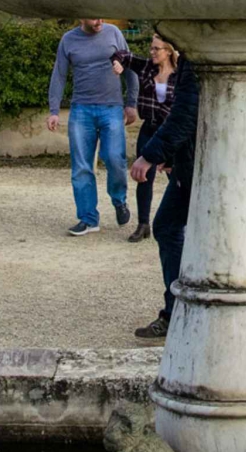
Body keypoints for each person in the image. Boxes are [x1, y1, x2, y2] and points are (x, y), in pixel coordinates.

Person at [47, 19, 139, 237]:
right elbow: (59, 74)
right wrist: (54, 110)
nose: (98, 21)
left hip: (112, 108)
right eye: (93, 18)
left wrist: (131, 103)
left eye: (100, 17)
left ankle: (119, 200)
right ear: (81, 17)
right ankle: (88, 219)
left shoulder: (114, 33)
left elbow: (130, 66)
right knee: (81, 167)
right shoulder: (69, 40)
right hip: (81, 110)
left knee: (115, 158)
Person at [130, 54, 198, 341]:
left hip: (199, 165)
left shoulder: (194, 57)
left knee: (169, 227)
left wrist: (150, 155)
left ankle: (180, 310)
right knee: (170, 227)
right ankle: (181, 308)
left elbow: (184, 116)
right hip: (196, 160)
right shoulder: (195, 55)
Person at [112, 35, 181, 243]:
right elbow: (121, 54)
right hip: (149, 129)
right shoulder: (146, 67)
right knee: (143, 177)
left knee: (177, 177)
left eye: (156, 49)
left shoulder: (180, 75)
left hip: (170, 132)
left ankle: (181, 223)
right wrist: (117, 63)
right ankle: (143, 224)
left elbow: (179, 107)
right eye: (151, 48)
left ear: (168, 51)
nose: (152, 52)